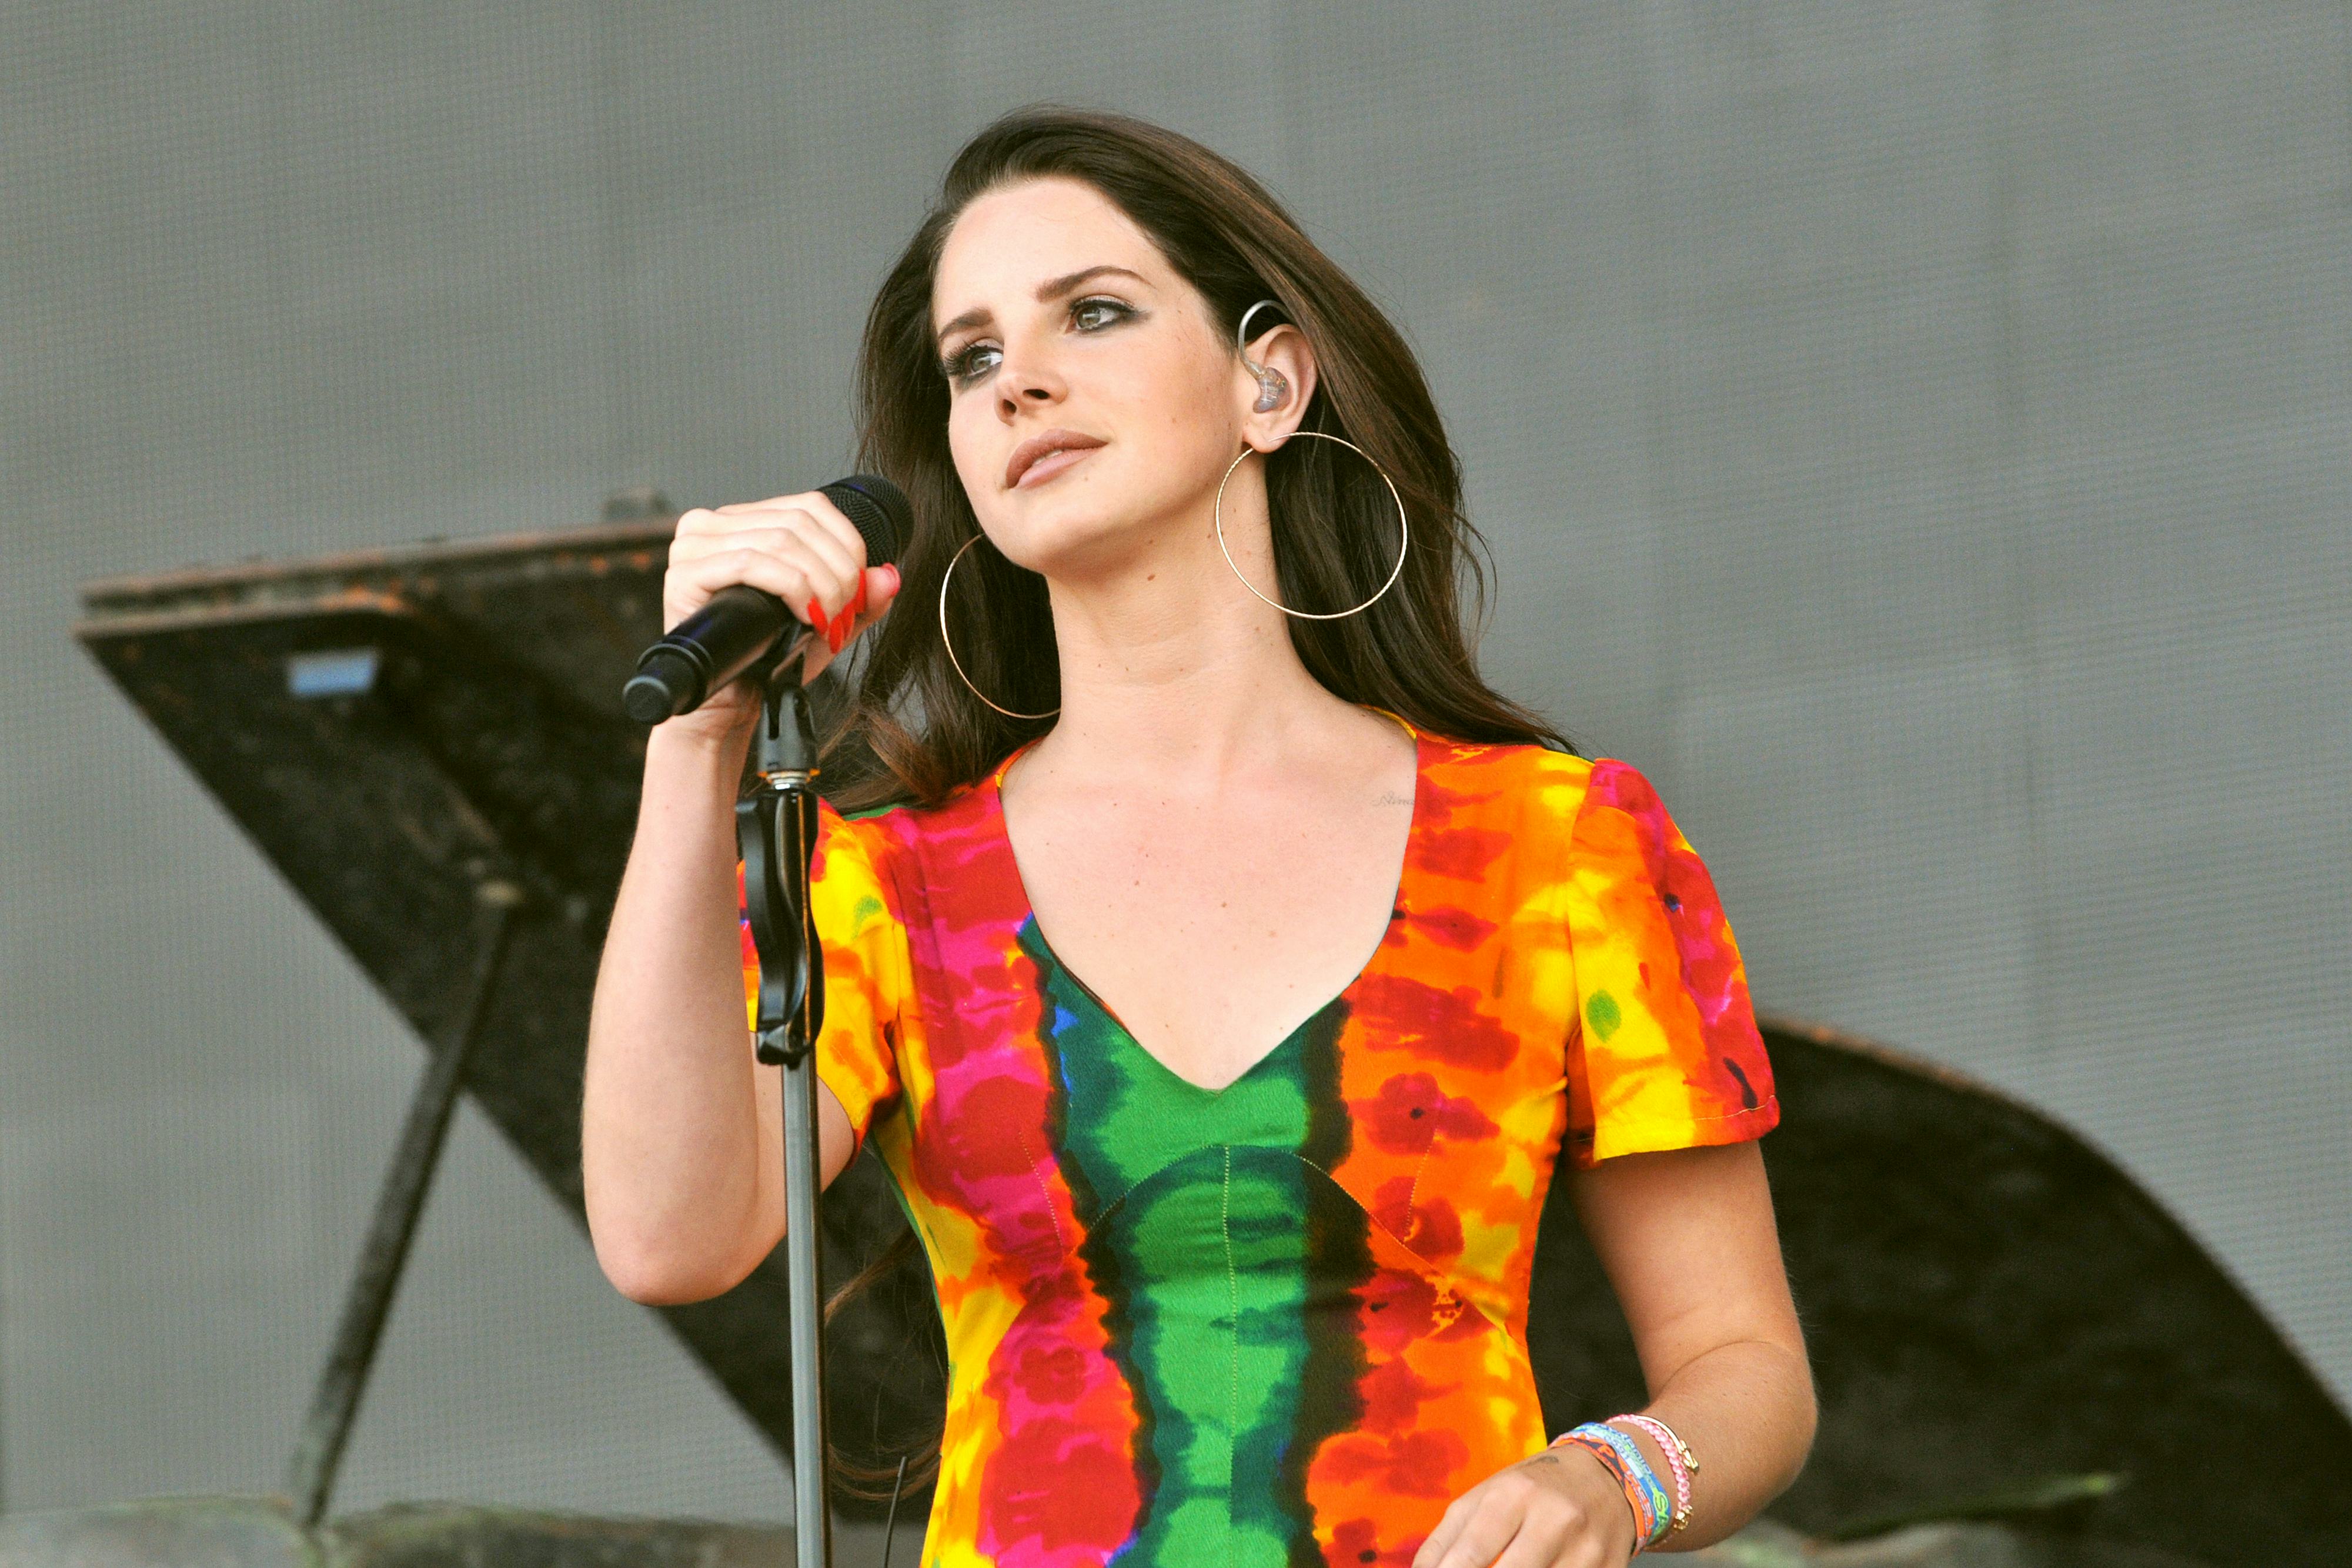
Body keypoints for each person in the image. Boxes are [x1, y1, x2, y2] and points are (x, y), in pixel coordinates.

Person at [582, 106, 1815, 1568]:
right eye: (971, 359)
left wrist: (1611, 1478)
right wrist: (695, 740)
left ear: (1269, 381)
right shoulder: (893, 885)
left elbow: (1746, 1366)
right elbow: (669, 1237)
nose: (1019, 381)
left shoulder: (1553, 847)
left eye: (1090, 315)